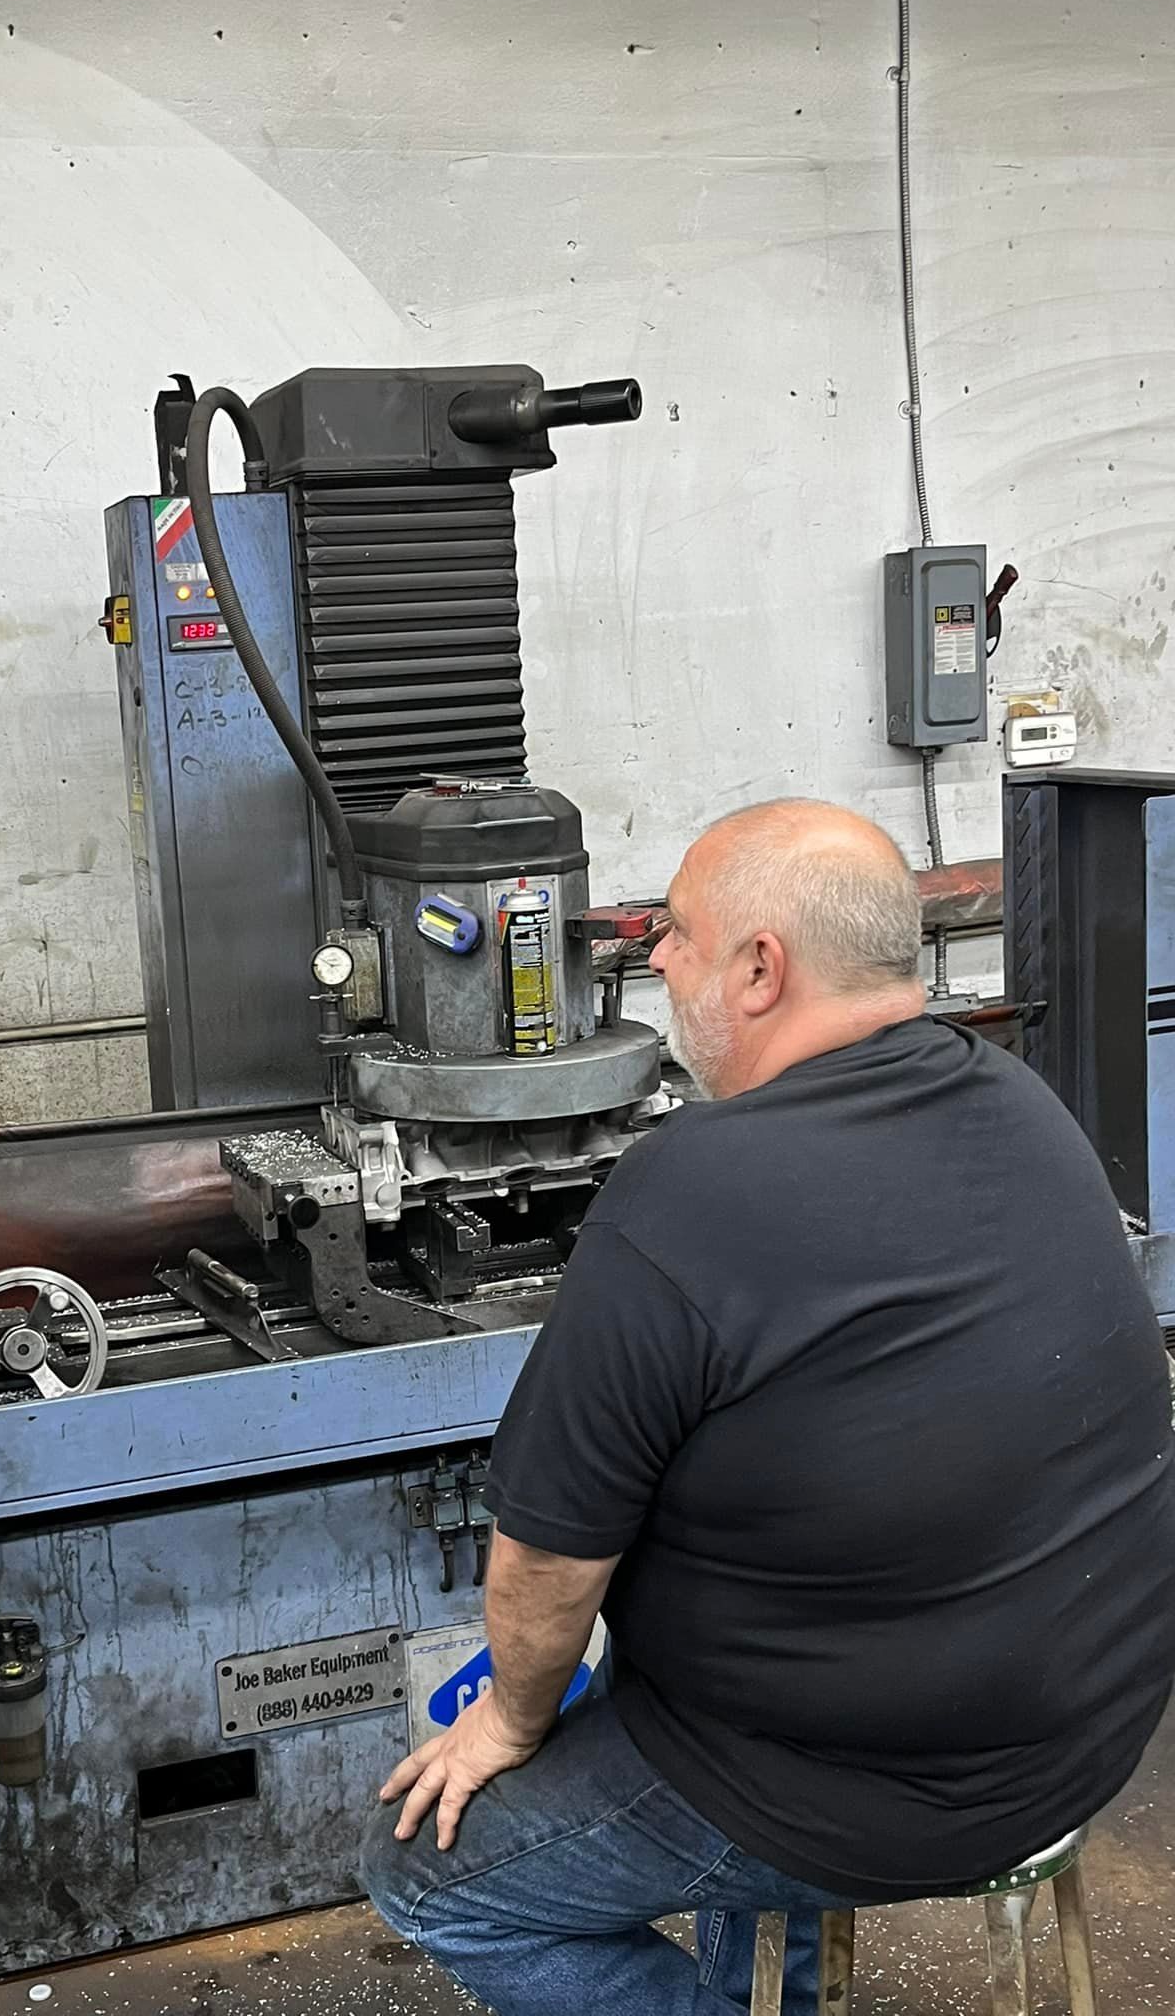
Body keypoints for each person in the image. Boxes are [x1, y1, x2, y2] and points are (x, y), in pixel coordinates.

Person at [362, 797, 1175, 2016]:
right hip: (1088, 1731)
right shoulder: (1023, 1104)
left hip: (870, 1783)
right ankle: (776, 1989)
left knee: (426, 1875)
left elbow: (547, 1559)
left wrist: (508, 1723)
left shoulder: (685, 1191)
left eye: (677, 934)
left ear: (760, 968)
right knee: (706, 1647)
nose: (657, 961)